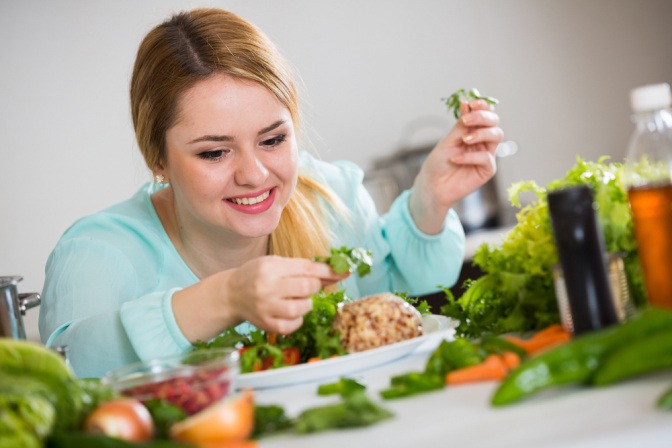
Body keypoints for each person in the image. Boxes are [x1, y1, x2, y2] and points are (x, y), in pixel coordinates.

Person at [39, 8, 503, 378]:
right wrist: (226, 297)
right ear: (158, 159)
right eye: (215, 153)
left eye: (273, 140)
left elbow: (395, 308)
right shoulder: (99, 252)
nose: (255, 174)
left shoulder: (330, 196)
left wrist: (429, 203)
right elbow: (69, 366)